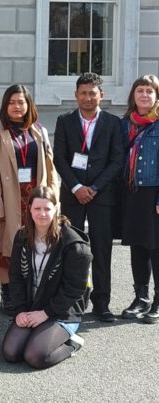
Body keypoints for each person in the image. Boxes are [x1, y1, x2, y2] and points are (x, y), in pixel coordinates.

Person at [53, 72, 124, 323]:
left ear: (101, 95)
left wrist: (93, 187)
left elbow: (117, 160)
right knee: (72, 249)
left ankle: (102, 303)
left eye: (92, 93)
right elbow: (59, 158)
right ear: (75, 95)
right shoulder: (65, 121)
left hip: (101, 196)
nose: (87, 98)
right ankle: (72, 301)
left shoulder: (113, 124)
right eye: (82, 93)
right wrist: (76, 188)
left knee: (102, 249)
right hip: (73, 196)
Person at [0, 84, 58, 316]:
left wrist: (53, 198)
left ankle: (31, 293)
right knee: (5, 249)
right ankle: (7, 292)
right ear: (5, 106)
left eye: (21, 102)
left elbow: (50, 167)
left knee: (36, 246)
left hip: (34, 198)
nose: (17, 107)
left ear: (28, 106)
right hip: (9, 199)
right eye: (12, 102)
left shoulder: (39, 132)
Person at [2, 186, 92, 369]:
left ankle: (73, 343)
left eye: (47, 208)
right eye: (37, 208)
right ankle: (39, 333)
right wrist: (20, 310)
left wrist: (45, 313)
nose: (42, 213)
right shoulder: (22, 236)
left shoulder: (75, 246)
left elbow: (74, 289)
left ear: (56, 208)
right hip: (33, 307)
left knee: (35, 356)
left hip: (62, 311)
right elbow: (16, 277)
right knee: (11, 353)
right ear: (29, 209)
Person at [119, 74, 159, 323]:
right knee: (137, 247)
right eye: (140, 90)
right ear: (133, 95)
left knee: (156, 248)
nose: (144, 95)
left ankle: (157, 301)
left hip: (153, 191)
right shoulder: (126, 124)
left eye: (150, 91)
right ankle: (140, 297)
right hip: (132, 192)